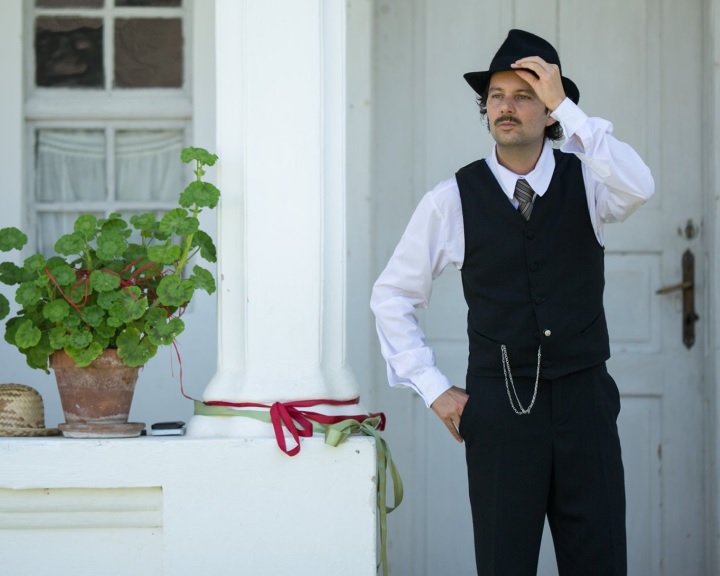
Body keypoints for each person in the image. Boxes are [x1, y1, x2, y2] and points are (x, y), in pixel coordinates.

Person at [370, 29, 654, 576]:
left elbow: (639, 186)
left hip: (586, 403)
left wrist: (568, 107)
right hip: (500, 409)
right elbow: (392, 297)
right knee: (504, 563)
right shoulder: (451, 199)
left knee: (599, 562)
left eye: (525, 95)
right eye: (497, 95)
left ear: (548, 112)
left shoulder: (590, 181)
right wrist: (433, 388)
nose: (507, 106)